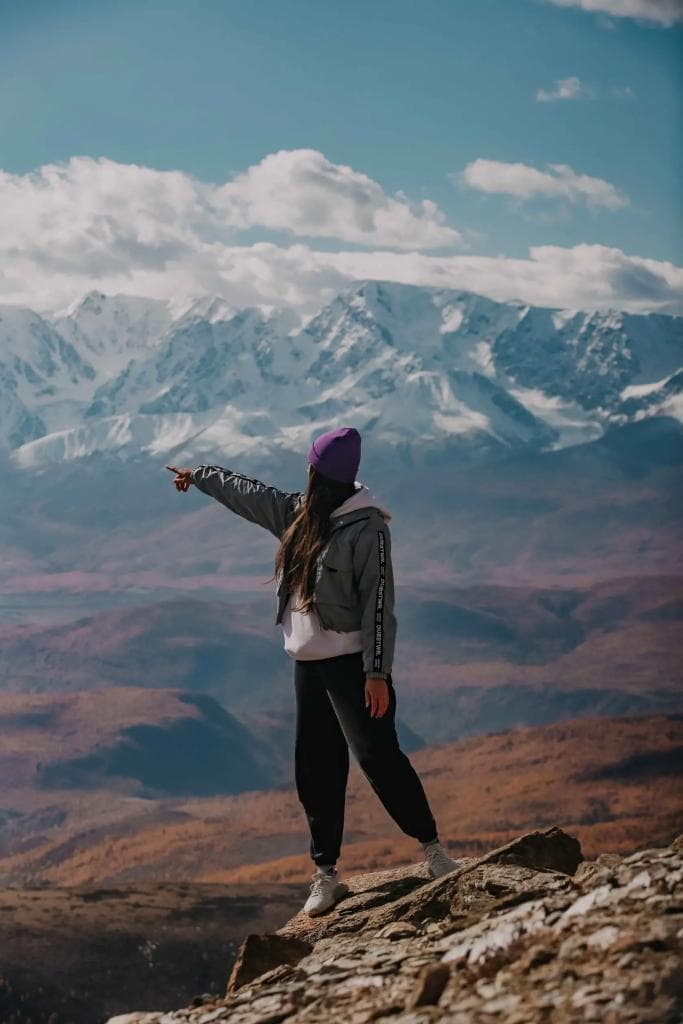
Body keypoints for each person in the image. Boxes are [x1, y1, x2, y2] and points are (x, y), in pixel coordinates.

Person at [167, 426, 456, 916]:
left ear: (322, 476)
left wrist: (377, 672)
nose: (306, 477)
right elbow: (249, 494)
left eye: (312, 470)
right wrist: (200, 476)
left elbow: (379, 604)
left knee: (379, 757)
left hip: (351, 667)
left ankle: (433, 851)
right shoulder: (299, 516)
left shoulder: (368, 530)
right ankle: (326, 875)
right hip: (308, 667)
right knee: (316, 768)